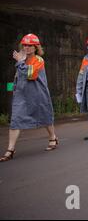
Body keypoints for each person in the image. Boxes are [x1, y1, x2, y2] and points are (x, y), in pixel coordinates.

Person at [1, 34, 58, 162]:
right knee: (15, 120)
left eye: (29, 45)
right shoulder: (22, 60)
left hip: (38, 95)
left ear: (35, 47)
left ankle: (53, 137)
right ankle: (10, 149)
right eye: (24, 45)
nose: (26, 47)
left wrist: (20, 62)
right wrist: (12, 89)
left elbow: (30, 75)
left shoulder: (39, 60)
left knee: (45, 117)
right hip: (21, 96)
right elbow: (17, 77)